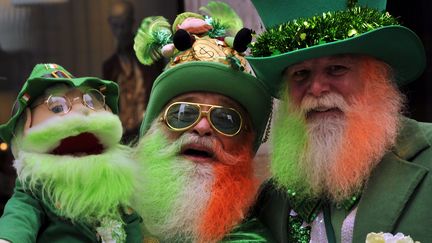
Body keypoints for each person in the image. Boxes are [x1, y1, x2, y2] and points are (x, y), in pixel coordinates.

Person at [246, 0, 431, 242]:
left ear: (375, 78)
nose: (316, 88)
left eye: (336, 68)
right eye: (301, 74)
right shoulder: (271, 202)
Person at [132, 2, 275, 242]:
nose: (201, 127)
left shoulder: (251, 239)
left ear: (245, 144)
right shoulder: (114, 224)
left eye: (226, 119)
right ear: (154, 127)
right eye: (183, 113)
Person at [0, 64, 142, 242]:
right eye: (58, 106)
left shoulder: (117, 176)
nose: (82, 110)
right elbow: (20, 216)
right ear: (27, 124)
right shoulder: (37, 183)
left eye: (90, 101)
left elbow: (130, 221)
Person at [103, 0, 163, 143]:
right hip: (122, 138)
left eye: (124, 24)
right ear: (110, 24)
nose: (121, 30)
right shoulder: (109, 67)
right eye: (116, 25)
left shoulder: (151, 58)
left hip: (149, 134)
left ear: (132, 22)